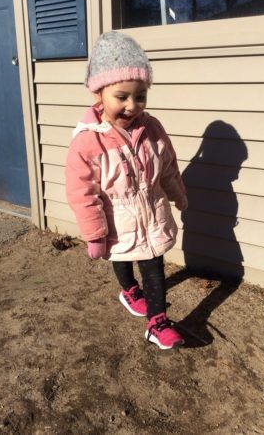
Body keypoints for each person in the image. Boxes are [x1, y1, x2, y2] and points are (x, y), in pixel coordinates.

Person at [66, 31, 188, 350]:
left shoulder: (153, 129)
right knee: (120, 254)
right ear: (100, 93)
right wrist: (94, 234)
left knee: (153, 263)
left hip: (152, 214)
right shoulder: (87, 142)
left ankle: (157, 322)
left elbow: (169, 166)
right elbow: (82, 191)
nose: (132, 106)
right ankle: (129, 290)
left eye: (141, 96)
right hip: (115, 221)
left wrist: (178, 195)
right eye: (122, 97)